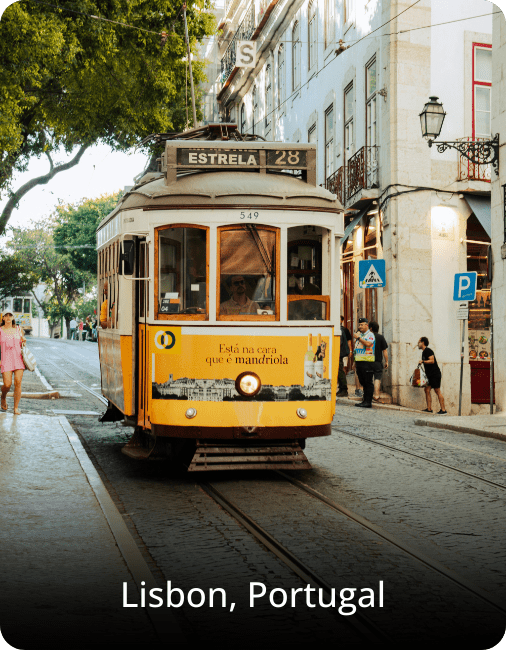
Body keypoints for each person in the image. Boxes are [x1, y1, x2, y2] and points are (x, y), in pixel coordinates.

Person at [0, 311, 26, 415]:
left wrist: (24, 340)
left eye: (10, 315)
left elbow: (23, 341)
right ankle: (3, 396)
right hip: (5, 359)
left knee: (18, 382)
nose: (8, 318)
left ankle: (16, 408)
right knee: (7, 384)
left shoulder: (18, 329)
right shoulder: (0, 331)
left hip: (18, 359)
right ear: (3, 318)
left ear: (13, 317)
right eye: (5, 316)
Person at [418, 337, 447, 414]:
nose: (418, 344)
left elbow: (432, 360)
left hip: (435, 374)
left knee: (437, 391)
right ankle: (429, 408)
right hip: (430, 375)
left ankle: (443, 410)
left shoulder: (428, 350)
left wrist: (423, 361)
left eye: (419, 342)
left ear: (423, 342)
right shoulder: (424, 352)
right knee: (427, 390)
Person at [353, 317, 375, 408]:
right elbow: (356, 348)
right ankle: (364, 400)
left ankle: (368, 402)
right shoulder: (360, 335)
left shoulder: (370, 335)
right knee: (363, 382)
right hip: (359, 362)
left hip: (367, 362)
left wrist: (358, 337)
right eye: (359, 325)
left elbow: (368, 344)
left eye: (362, 325)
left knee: (368, 382)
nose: (360, 326)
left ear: (366, 325)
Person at [369, 321, 389, 403]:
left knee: (368, 379)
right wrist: (386, 361)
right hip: (377, 362)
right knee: (377, 378)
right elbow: (385, 351)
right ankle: (376, 395)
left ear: (370, 328)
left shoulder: (368, 337)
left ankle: (367, 395)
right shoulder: (381, 337)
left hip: (368, 361)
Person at [337, 316, 352, 397]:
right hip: (341, 352)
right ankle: (341, 388)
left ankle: (344, 389)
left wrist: (350, 351)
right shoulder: (339, 329)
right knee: (339, 371)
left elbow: (346, 341)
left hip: (340, 353)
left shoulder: (342, 329)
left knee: (341, 370)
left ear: (342, 320)